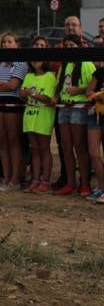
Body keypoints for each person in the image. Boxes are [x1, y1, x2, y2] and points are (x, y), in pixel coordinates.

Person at [52, 35, 95, 196]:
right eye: (67, 45)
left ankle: (85, 183)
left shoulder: (86, 63)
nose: (69, 48)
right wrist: (56, 97)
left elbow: (94, 85)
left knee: (80, 146)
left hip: (78, 108)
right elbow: (59, 86)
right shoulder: (65, 64)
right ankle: (70, 183)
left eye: (72, 45)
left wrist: (80, 90)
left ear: (79, 46)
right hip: (64, 107)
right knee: (66, 147)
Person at [0, 32, 27, 191]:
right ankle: (6, 177)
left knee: (13, 141)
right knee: (2, 142)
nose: (6, 45)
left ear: (16, 44)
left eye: (9, 41)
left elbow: (13, 85)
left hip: (13, 104)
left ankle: (15, 180)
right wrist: (1, 84)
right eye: (4, 42)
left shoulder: (20, 64)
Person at [19, 37, 57, 193]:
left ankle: (46, 181)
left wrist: (31, 93)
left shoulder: (50, 76)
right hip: (30, 116)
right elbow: (23, 94)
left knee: (44, 149)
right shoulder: (28, 76)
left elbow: (48, 98)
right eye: (36, 45)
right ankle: (35, 179)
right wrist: (23, 94)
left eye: (42, 46)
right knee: (34, 150)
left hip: (43, 117)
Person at [85, 36, 104, 201]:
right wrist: (98, 96)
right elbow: (88, 92)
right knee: (93, 153)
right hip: (95, 115)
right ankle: (102, 187)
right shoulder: (99, 71)